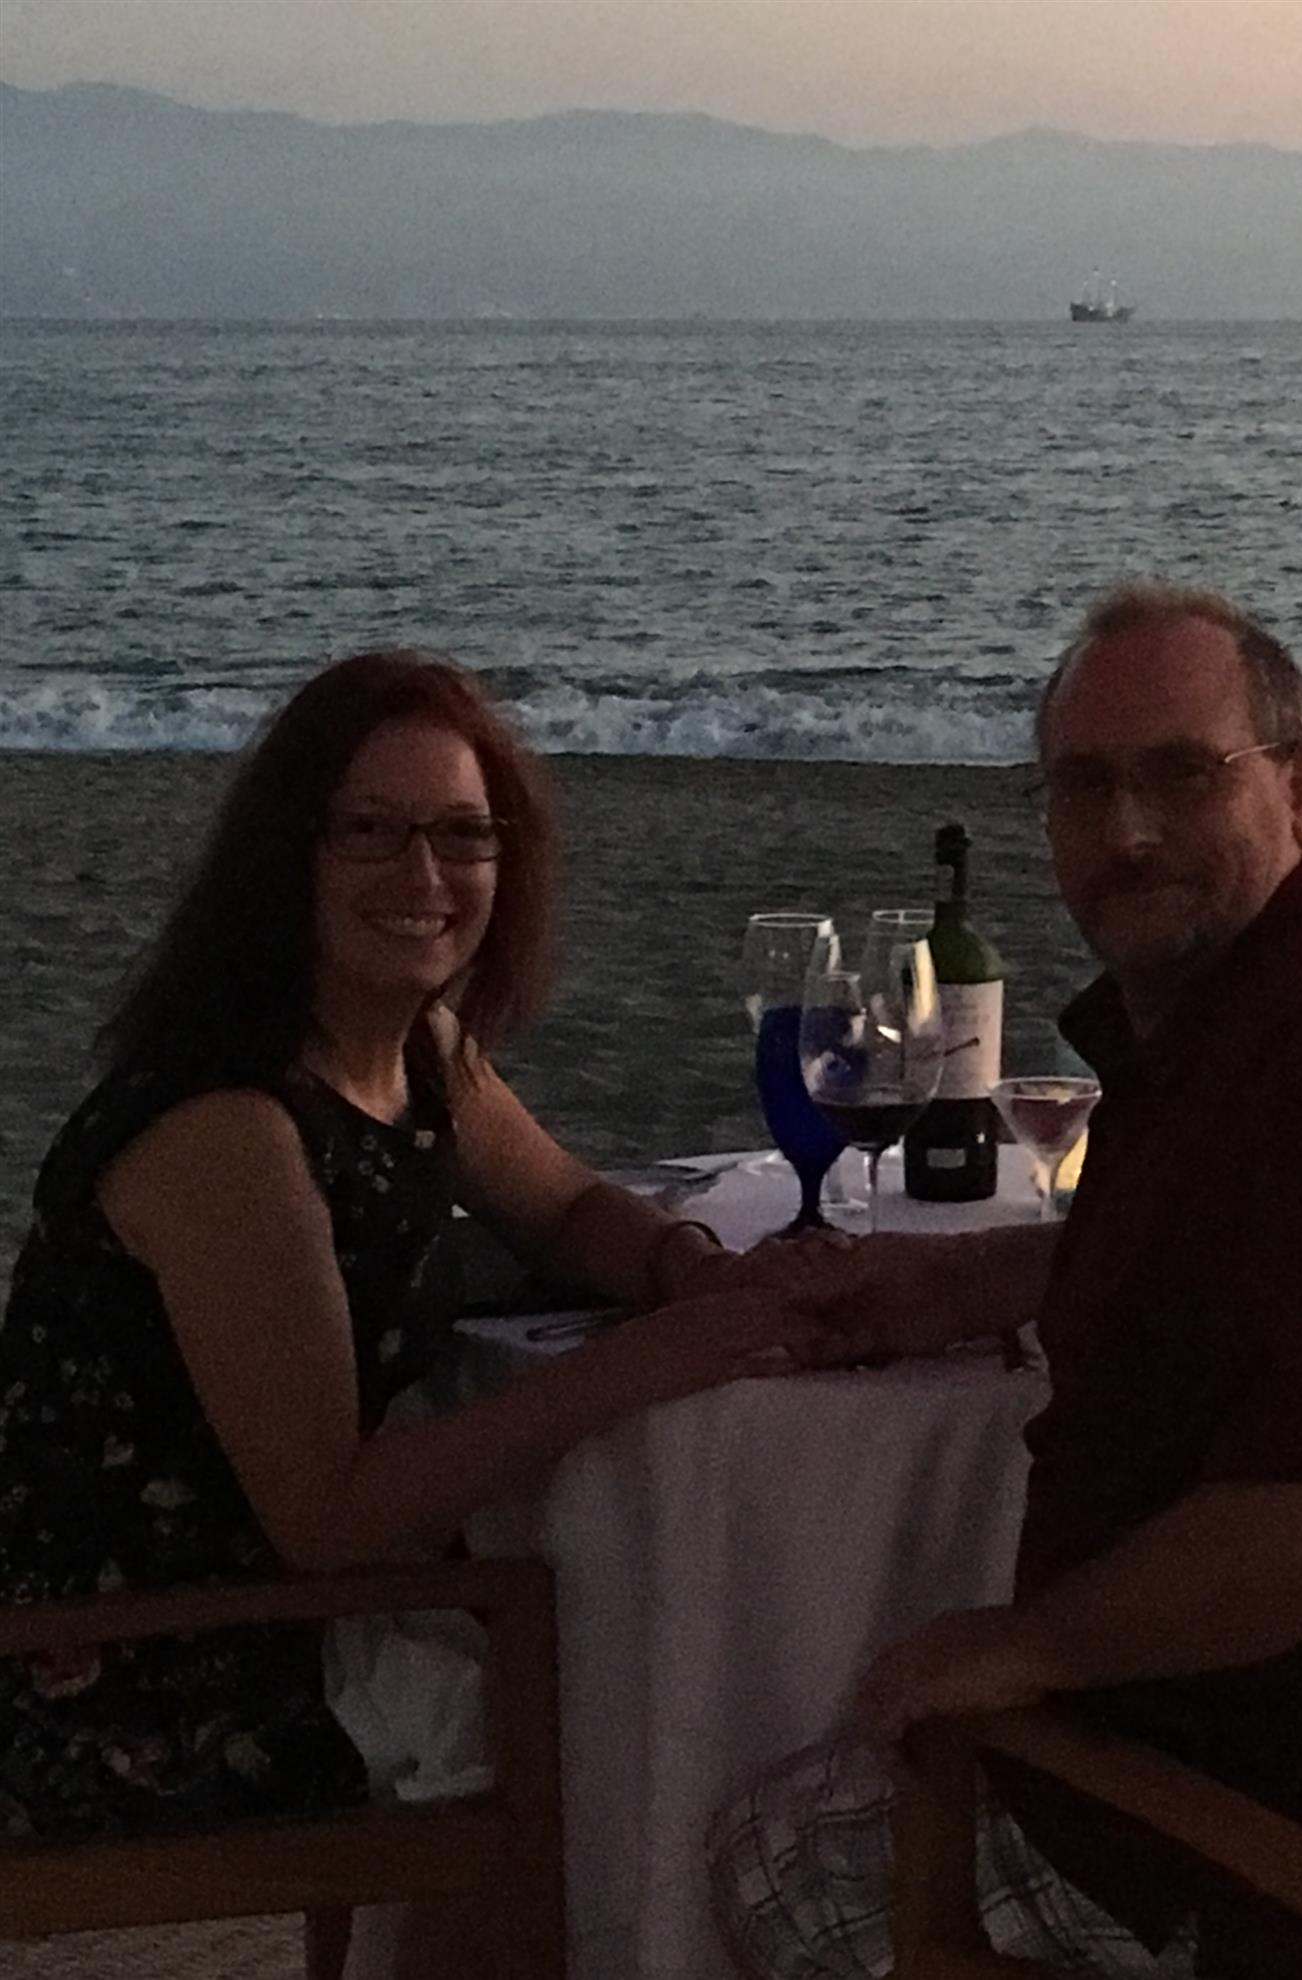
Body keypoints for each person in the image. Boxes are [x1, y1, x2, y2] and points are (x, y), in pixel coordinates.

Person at [710, 581, 1302, 1979]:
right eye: (1083, 787)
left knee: (767, 1857)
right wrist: (980, 1283)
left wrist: (1025, 1649)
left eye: (1182, 776)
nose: (1128, 832)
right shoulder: (1289, 1003)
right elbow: (1258, 1263)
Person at [0, 650, 814, 1977]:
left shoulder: (410, 1047)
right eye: (370, 832)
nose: (425, 875)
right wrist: (647, 1365)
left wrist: (684, 1269)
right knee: (558, 1697)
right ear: (290, 856)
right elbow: (330, 1518)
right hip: (113, 1662)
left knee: (579, 1642)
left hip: (249, 1603)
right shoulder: (233, 1124)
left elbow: (560, 1205)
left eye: (462, 834)